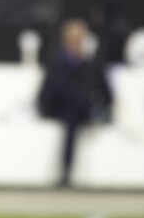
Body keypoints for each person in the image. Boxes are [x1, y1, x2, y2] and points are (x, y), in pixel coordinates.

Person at [38, 18, 112, 185]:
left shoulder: (91, 65)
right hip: (62, 108)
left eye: (80, 39)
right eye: (73, 39)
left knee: (75, 106)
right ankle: (66, 170)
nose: (76, 43)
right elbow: (48, 92)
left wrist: (99, 106)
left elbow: (106, 93)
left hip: (85, 109)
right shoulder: (57, 63)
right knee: (70, 108)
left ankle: (67, 170)